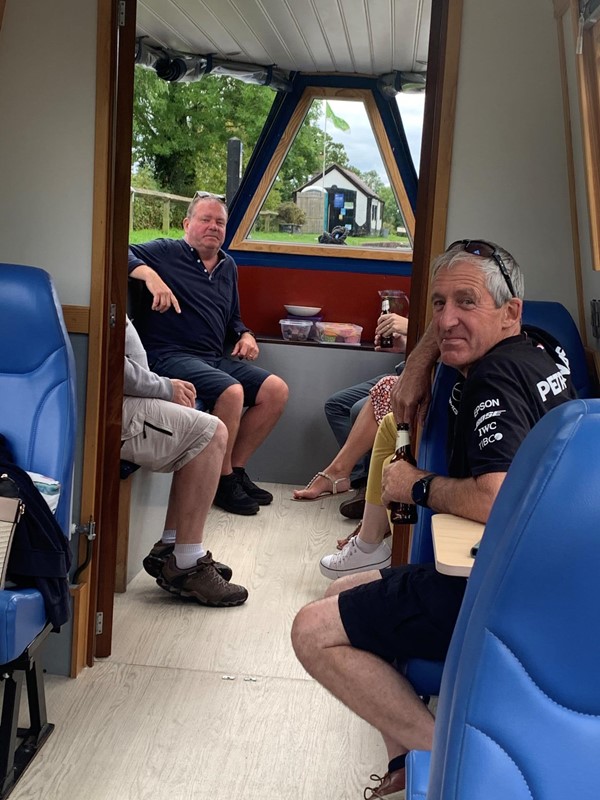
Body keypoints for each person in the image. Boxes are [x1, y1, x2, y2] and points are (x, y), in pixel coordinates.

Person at [291, 239, 576, 796]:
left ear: (510, 312)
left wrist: (412, 485)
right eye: (438, 304)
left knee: (312, 630)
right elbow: (456, 324)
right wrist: (417, 366)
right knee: (339, 595)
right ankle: (405, 763)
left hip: (496, 593)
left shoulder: (493, 383)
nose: (447, 320)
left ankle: (446, 760)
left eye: (466, 303)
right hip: (547, 574)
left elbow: (497, 499)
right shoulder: (543, 346)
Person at [128, 193, 289, 517]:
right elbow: (118, 248)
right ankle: (221, 480)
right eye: (205, 219)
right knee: (231, 391)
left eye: (219, 222)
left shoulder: (228, 265)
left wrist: (246, 335)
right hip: (168, 356)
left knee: (276, 391)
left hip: (212, 357)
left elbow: (233, 319)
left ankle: (235, 471)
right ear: (187, 224)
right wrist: (151, 276)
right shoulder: (165, 252)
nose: (213, 227)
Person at [122, 316, 248, 607]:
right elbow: (110, 361)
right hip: (115, 404)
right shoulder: (101, 279)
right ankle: (186, 563)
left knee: (197, 427)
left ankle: (171, 546)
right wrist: (164, 388)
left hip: (128, 395)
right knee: (210, 432)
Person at [292, 312, 408, 515]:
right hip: (404, 370)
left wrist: (410, 326)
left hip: (413, 379)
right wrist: (405, 345)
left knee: (360, 407)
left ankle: (350, 478)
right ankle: (361, 479)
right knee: (337, 405)